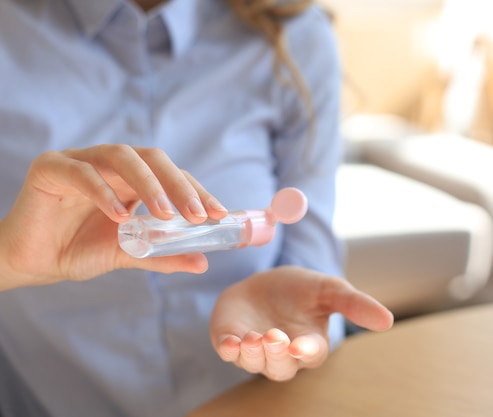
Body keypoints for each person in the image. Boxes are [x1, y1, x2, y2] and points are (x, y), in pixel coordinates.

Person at [0, 0, 394, 416]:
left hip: (255, 402)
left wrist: (292, 329)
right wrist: (9, 259)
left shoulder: (292, 34)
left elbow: (313, 260)